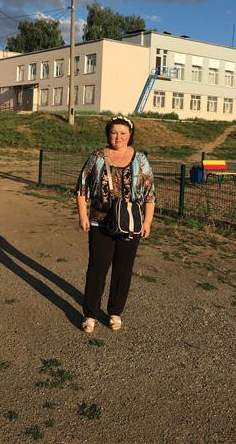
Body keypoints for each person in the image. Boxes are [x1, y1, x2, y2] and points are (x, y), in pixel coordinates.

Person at [75, 115, 156, 334]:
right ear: (108, 134)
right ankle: (90, 314)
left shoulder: (140, 159)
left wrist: (148, 221)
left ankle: (115, 312)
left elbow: (149, 193)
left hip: (130, 222)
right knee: (97, 267)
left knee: (123, 268)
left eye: (123, 133)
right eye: (113, 132)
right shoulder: (97, 157)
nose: (118, 137)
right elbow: (82, 187)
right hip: (100, 221)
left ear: (130, 135)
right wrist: (82, 216)